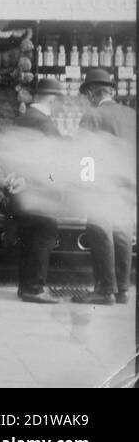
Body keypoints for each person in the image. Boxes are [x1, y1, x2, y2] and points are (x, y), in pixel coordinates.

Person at [73, 69, 136, 306]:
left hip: (102, 186)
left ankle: (104, 290)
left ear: (91, 93)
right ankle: (122, 290)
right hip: (128, 185)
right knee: (122, 234)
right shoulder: (131, 114)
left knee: (100, 234)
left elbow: (85, 156)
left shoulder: (92, 116)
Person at [9, 79, 68, 304]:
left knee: (27, 238)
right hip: (41, 191)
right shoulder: (47, 125)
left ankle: (24, 286)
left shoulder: (20, 120)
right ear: (52, 99)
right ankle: (35, 288)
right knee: (44, 236)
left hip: (19, 191)